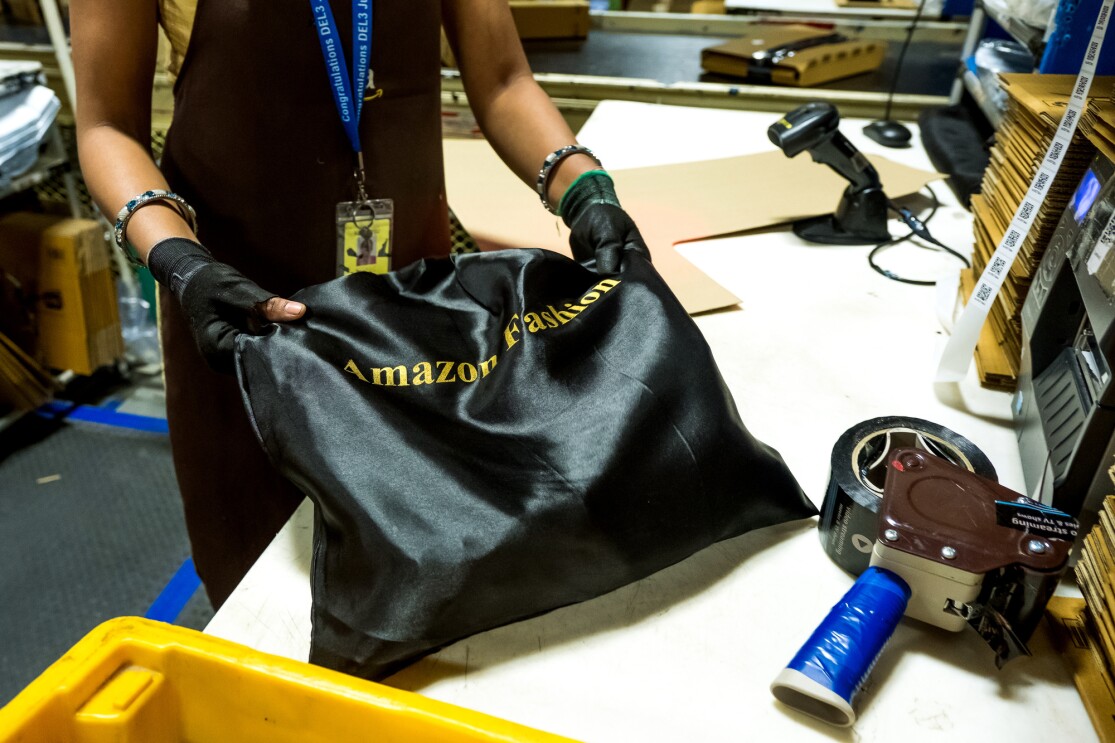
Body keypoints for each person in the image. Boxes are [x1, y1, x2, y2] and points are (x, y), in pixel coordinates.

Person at [70, 0, 651, 607]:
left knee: (434, 565)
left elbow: (503, 79)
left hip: (409, 310)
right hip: (241, 312)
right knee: (264, 587)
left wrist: (584, 191)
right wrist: (181, 263)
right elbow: (107, 126)